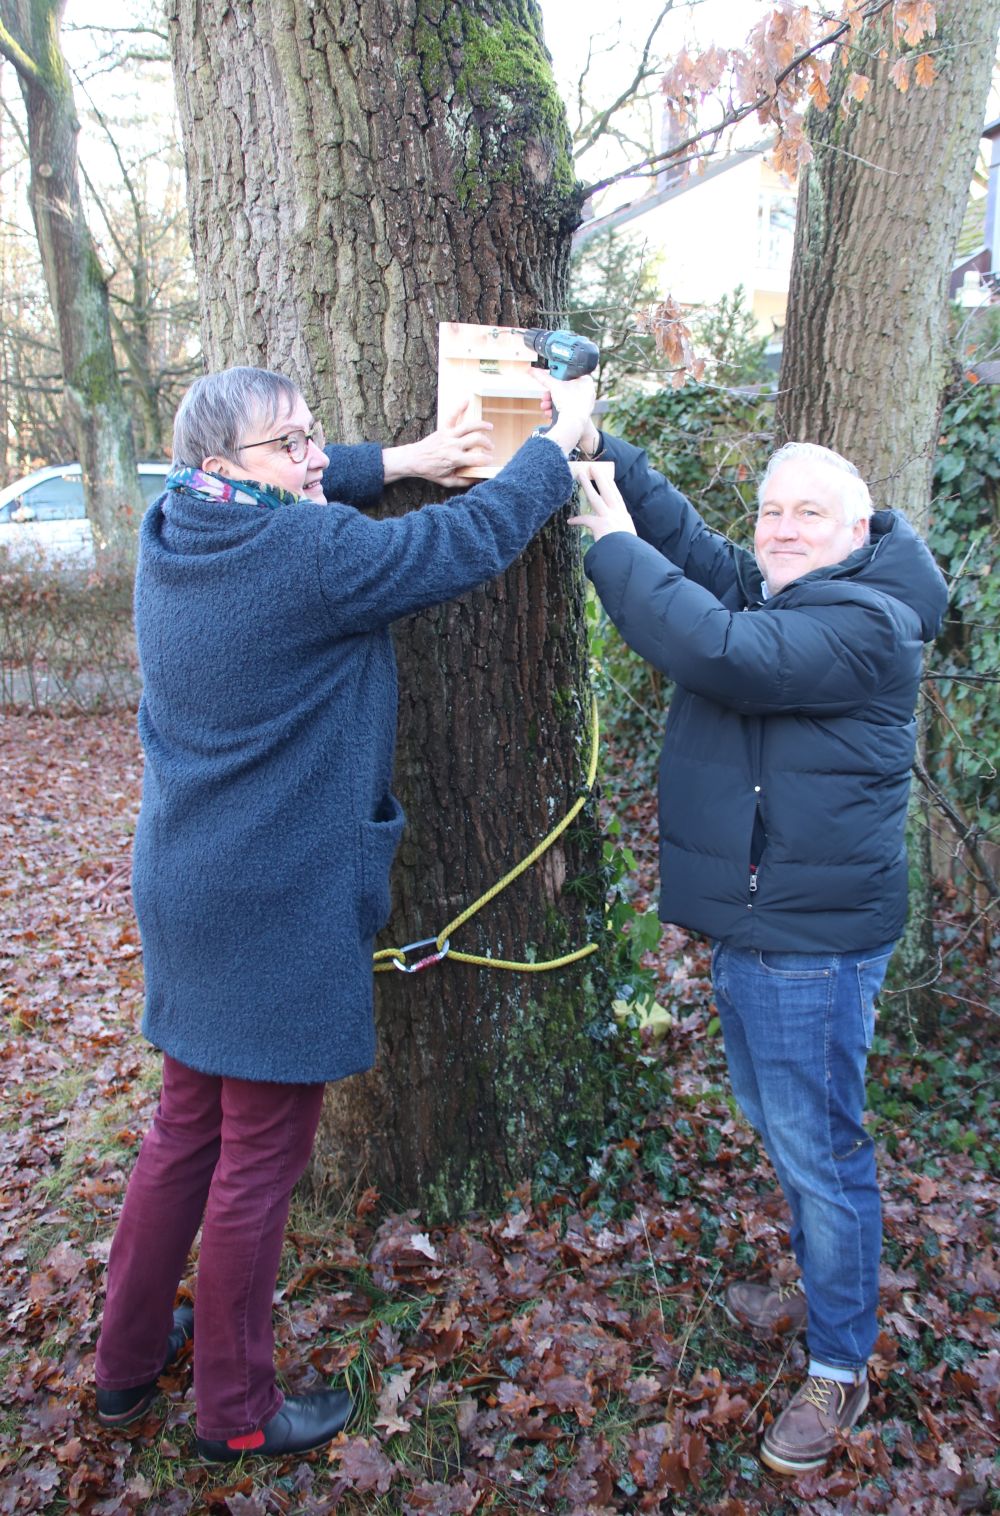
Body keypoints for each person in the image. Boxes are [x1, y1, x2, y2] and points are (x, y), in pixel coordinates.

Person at [93, 363, 596, 1463]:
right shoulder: (308, 557)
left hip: (189, 886)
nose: (315, 455)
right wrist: (552, 455)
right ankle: (236, 1408)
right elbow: (454, 548)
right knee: (259, 1161)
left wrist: (402, 460)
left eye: (314, 431)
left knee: (185, 1131)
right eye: (291, 444)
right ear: (224, 467)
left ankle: (126, 1364)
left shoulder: (174, 527)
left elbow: (323, 490)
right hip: (276, 900)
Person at [566, 421, 947, 1475]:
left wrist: (606, 541)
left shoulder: (864, 621)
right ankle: (828, 1286)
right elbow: (699, 555)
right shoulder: (797, 586)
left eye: (807, 513)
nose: (780, 530)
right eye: (770, 510)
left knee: (819, 1156)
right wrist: (608, 450)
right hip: (764, 927)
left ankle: (839, 1360)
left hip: (806, 946)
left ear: (858, 530)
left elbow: (718, 649)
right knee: (787, 1131)